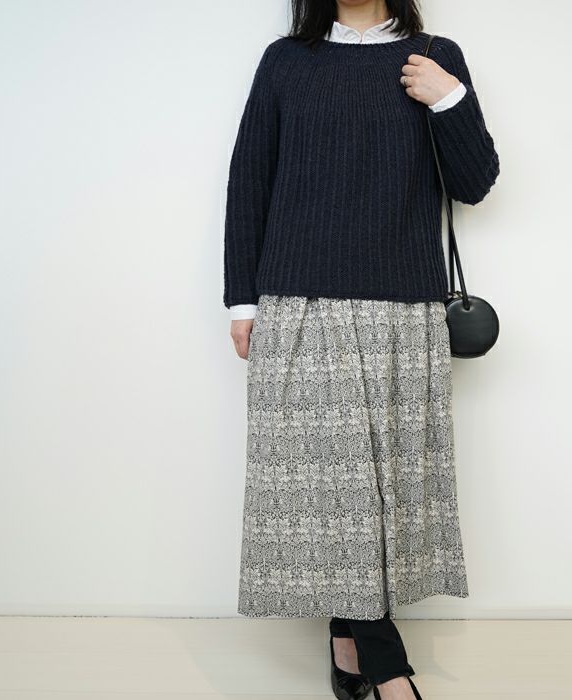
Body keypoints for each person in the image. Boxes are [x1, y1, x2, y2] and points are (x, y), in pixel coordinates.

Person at [222, 1, 500, 698]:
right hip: (302, 302)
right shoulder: (287, 61)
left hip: (403, 305)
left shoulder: (434, 55)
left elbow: (473, 183)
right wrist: (241, 300)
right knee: (335, 488)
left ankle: (347, 646)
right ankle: (387, 666)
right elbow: (250, 178)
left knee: (383, 489)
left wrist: (449, 98)